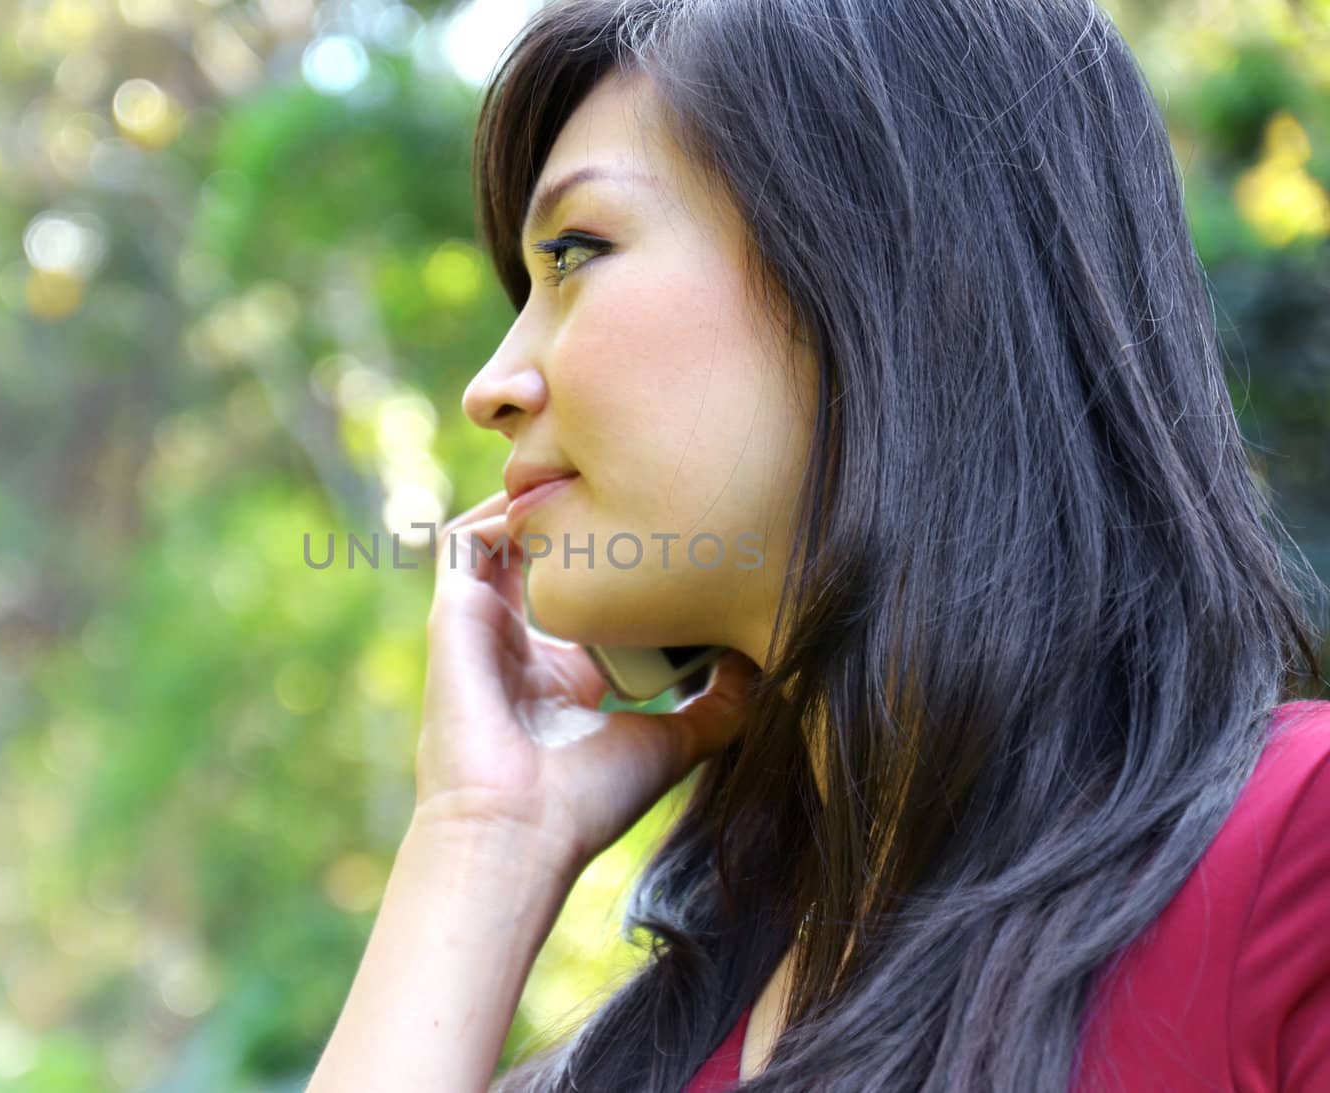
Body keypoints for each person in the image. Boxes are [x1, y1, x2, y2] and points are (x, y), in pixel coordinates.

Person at [305, 0, 1330, 1089]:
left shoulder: (1293, 857)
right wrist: (481, 836)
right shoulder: (658, 1047)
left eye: (574, 252)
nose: (491, 388)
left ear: (890, 271)